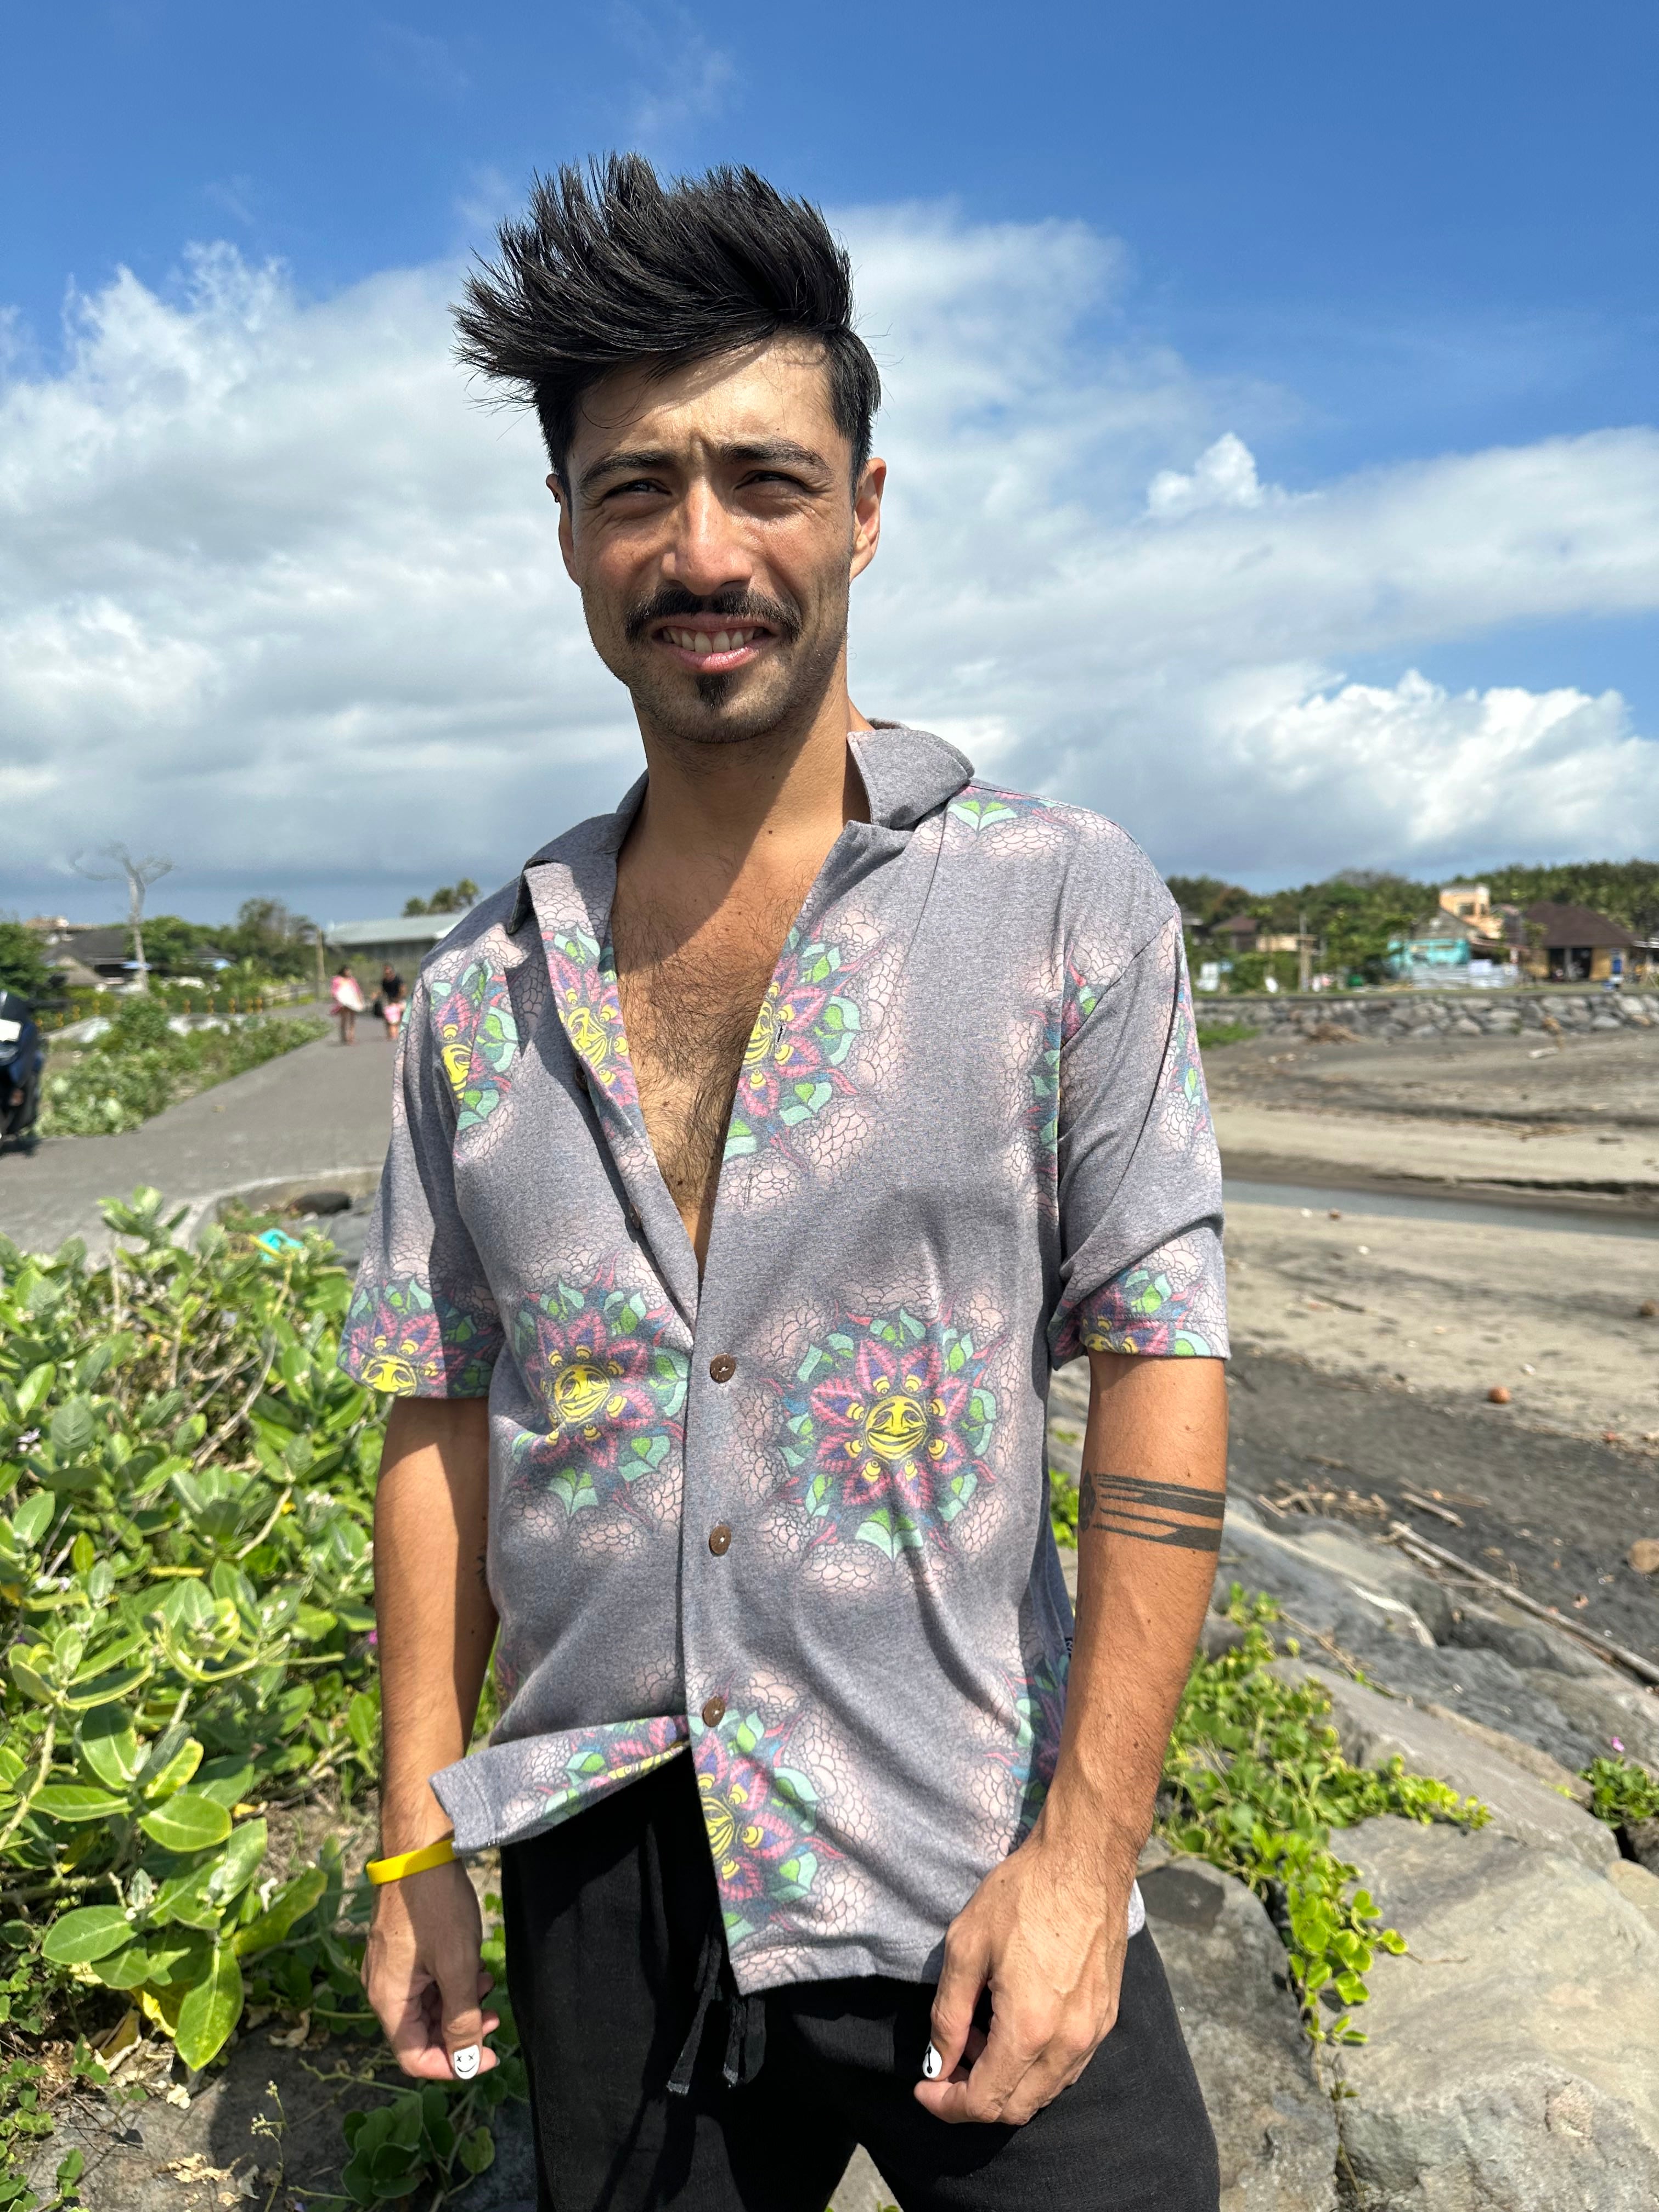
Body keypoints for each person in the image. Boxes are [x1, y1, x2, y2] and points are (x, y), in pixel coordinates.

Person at [343, 157, 1228, 2212]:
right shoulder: (478, 983)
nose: (701, 545)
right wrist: (414, 1833)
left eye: (762, 475)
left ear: (863, 506)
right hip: (598, 1852)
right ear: (565, 530)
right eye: (636, 486)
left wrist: (1088, 1856)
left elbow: (1159, 1357)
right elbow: (435, 1405)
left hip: (961, 1821)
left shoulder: (1052, 897)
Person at [330, 963, 364, 1045]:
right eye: (347, 971)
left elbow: (357, 991)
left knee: (352, 1020)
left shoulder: (352, 980)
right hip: (343, 1003)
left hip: (352, 1002)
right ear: (343, 971)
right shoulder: (337, 980)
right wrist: (337, 999)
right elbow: (334, 991)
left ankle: (351, 1037)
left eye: (349, 971)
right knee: (344, 1019)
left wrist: (360, 1000)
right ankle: (344, 1037)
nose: (349, 972)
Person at [380, 962, 405, 1042]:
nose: (387, 972)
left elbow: (403, 989)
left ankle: (398, 1034)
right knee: (388, 1018)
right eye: (385, 970)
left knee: (399, 1018)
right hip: (389, 1001)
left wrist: (398, 1000)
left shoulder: (398, 979)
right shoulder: (384, 981)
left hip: (399, 1001)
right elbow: (383, 991)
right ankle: (390, 1034)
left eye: (388, 970)